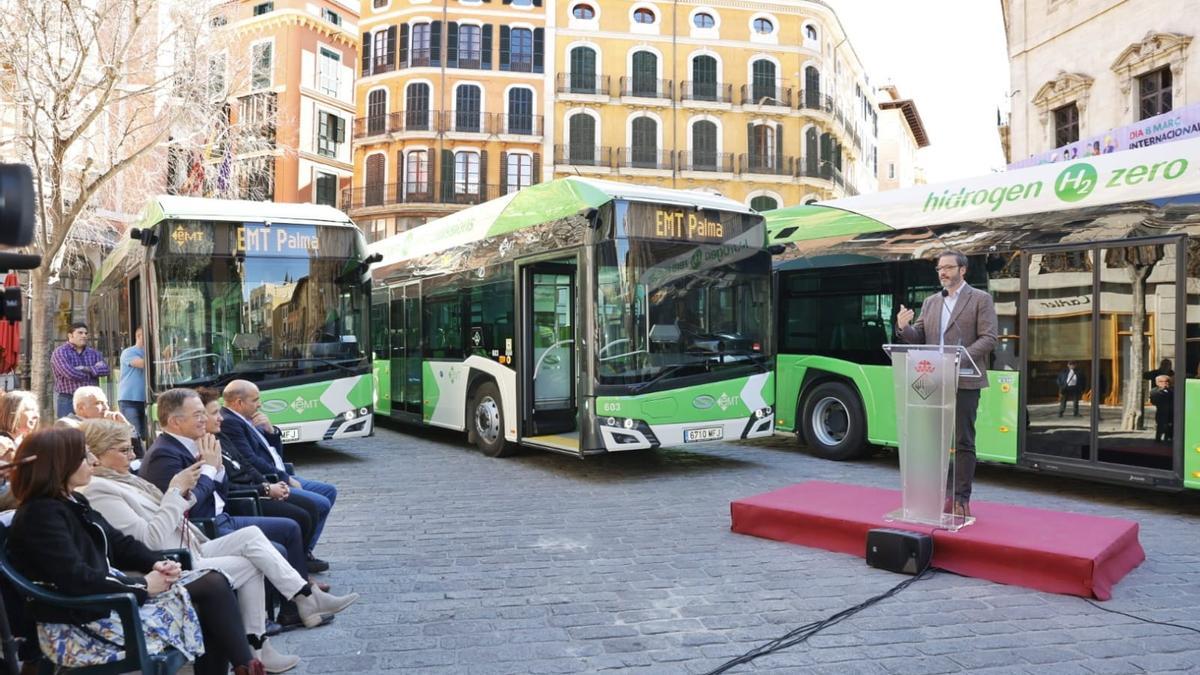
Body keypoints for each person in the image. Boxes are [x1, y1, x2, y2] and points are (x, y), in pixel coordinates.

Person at [80, 419, 357, 671]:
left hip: (190, 541)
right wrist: (180, 488)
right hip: (172, 556)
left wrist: (189, 488)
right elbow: (148, 538)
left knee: (252, 535)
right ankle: (261, 643)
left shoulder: (125, 479)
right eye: (123, 450)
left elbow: (179, 506)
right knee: (252, 561)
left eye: (131, 449)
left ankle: (302, 599)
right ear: (97, 454)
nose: (132, 456)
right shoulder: (100, 488)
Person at [6, 428, 265, 675]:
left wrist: (158, 563)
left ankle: (246, 666)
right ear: (59, 464)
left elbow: (120, 544)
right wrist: (142, 585)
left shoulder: (72, 501)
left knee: (214, 583)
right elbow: (75, 578)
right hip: (83, 623)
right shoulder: (41, 514)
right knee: (210, 595)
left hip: (104, 604)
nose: (94, 461)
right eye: (85, 455)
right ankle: (248, 666)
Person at [138, 389, 310, 584]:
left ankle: (301, 600)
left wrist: (218, 470)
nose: (204, 419)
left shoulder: (195, 443)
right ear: (175, 421)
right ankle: (300, 600)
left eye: (204, 413)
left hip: (222, 517)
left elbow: (223, 488)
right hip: (203, 528)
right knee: (276, 548)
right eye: (197, 415)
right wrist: (210, 470)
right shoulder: (164, 455)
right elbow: (188, 506)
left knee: (290, 527)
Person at [896, 250, 998, 518]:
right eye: (939, 268)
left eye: (948, 268)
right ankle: (934, 495)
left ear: (962, 270)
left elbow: (989, 338)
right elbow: (918, 336)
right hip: (933, 380)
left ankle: (961, 498)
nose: (943, 272)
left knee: (963, 441)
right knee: (933, 442)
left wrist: (959, 357)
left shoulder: (980, 299)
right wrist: (903, 327)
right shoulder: (930, 302)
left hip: (965, 379)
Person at [220, 380, 337, 572]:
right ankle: (301, 556)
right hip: (272, 479)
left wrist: (271, 431)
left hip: (281, 473)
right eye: (255, 400)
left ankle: (305, 552)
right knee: (319, 504)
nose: (260, 404)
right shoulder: (231, 423)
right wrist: (281, 480)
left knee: (328, 491)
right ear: (239, 403)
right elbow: (250, 461)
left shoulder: (249, 419)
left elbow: (273, 453)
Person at [197, 387, 322, 565]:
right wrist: (266, 488)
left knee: (310, 506)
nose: (221, 417)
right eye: (215, 412)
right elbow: (228, 485)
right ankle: (299, 570)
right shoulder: (205, 445)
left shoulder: (220, 435)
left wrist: (270, 484)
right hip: (244, 499)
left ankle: (301, 564)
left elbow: (247, 465)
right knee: (301, 516)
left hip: (262, 486)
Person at [50, 322, 111, 419]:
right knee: (68, 432)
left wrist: (85, 368)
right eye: (80, 333)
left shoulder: (94, 353)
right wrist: (94, 371)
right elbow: (70, 373)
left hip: (92, 401)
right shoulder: (60, 352)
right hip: (68, 399)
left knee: (92, 431)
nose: (84, 336)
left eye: (86, 333)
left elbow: (106, 370)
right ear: (70, 335)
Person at [0, 390, 39, 510]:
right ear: (12, 413)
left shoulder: (28, 442)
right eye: (29, 410)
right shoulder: (3, 445)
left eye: (36, 410)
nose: (36, 415)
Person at [118, 327, 148, 440]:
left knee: (146, 435)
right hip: (129, 400)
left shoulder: (151, 352)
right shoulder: (128, 352)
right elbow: (141, 364)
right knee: (134, 435)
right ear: (139, 336)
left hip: (146, 400)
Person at [1149, 374, 1174, 443]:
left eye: (1167, 381)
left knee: (1170, 426)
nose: (1165, 383)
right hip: (1162, 412)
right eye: (1161, 381)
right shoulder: (1154, 391)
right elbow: (1153, 401)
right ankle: (1158, 439)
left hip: (1172, 412)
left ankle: (1168, 438)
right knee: (1161, 426)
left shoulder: (1172, 390)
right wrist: (1162, 391)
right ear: (1157, 383)